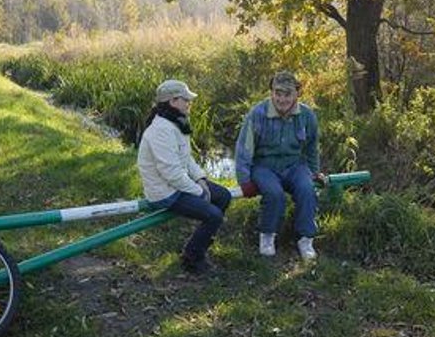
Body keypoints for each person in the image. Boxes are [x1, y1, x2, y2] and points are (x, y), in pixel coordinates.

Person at [137, 79, 232, 274]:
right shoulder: (161, 130)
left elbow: (186, 159)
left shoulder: (176, 124)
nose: (190, 102)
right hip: (164, 192)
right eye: (186, 99)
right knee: (214, 215)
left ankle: (201, 242)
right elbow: (170, 173)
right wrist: (200, 192)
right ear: (173, 101)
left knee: (223, 196)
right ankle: (192, 257)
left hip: (176, 185)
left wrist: (200, 179)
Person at [235, 71, 324, 261]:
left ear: (296, 94)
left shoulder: (307, 116)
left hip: (294, 166)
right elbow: (244, 149)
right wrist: (244, 180)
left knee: (307, 190)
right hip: (264, 166)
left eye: (287, 94)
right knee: (274, 194)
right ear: (272, 92)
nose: (281, 99)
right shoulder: (257, 114)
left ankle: (305, 239)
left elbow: (311, 148)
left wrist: (314, 172)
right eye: (277, 93)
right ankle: (267, 236)